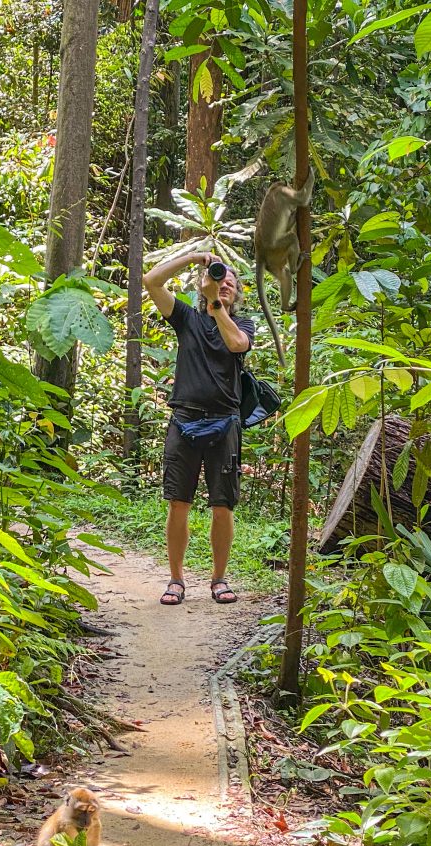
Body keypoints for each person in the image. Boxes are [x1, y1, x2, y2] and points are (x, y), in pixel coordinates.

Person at [143, 251, 254, 607]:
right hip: (184, 419)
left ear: (236, 294)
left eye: (230, 284)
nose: (224, 285)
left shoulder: (243, 324)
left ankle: (218, 579)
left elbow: (236, 344)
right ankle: (176, 580)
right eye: (219, 280)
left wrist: (215, 304)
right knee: (179, 503)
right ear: (204, 284)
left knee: (223, 506)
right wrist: (193, 257)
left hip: (226, 422)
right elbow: (151, 281)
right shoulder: (187, 319)